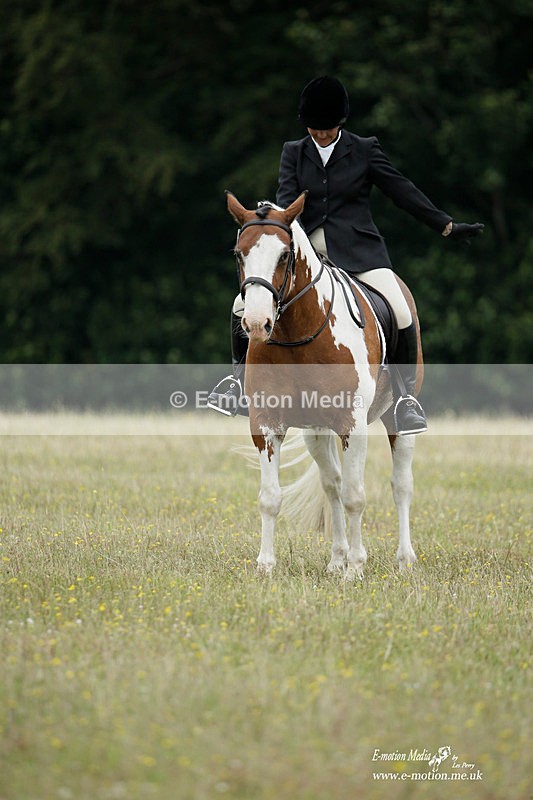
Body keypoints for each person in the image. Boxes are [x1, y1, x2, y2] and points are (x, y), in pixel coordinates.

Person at [208, 76, 484, 433]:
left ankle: (404, 399)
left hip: (359, 251)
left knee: (400, 309)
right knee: (240, 305)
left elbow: (401, 190)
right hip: (307, 251)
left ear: (341, 122)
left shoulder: (365, 149)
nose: (321, 134)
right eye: (315, 128)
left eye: (328, 128)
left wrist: (445, 225)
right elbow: (287, 200)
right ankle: (236, 383)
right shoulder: (293, 151)